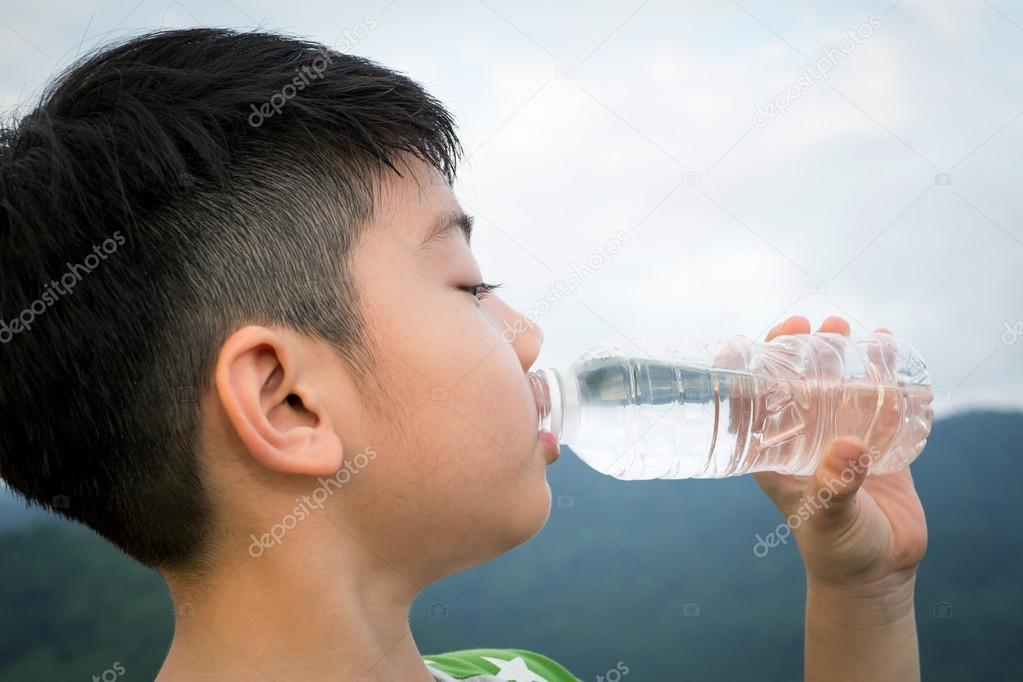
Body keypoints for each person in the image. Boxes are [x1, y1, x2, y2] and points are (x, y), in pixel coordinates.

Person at [0, 28, 926, 681]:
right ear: (288, 403)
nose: (524, 336)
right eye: (468, 287)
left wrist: (864, 598)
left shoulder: (519, 675)